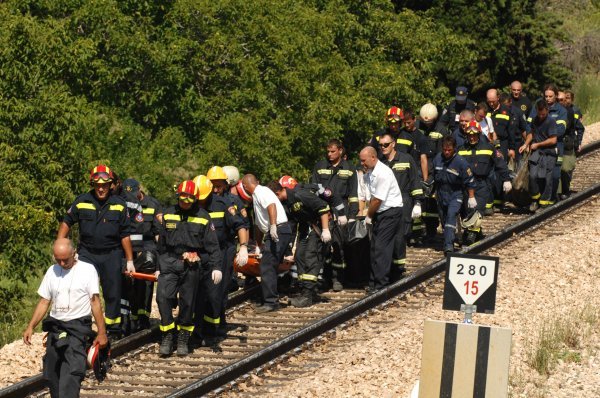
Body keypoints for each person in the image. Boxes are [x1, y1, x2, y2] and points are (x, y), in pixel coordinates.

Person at [23, 238, 108, 398]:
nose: (62, 264)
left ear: (74, 254)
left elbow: (95, 302)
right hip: (56, 328)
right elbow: (44, 301)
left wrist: (102, 332)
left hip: (77, 329)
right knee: (51, 374)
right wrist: (31, 326)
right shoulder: (52, 271)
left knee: (71, 375)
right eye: (58, 260)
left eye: (65, 260)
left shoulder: (87, 270)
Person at [57, 165, 134, 340]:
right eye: (97, 185)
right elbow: (66, 223)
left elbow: (125, 235)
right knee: (82, 290)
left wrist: (129, 260)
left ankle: (112, 330)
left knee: (112, 292)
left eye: (105, 185)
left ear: (110, 185)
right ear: (92, 184)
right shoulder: (82, 201)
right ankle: (81, 327)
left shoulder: (120, 205)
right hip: (86, 254)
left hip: (111, 253)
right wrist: (60, 245)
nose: (101, 188)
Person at [156, 180, 222, 356]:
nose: (185, 202)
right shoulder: (168, 214)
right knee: (162, 298)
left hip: (192, 265)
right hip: (169, 261)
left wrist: (216, 267)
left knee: (188, 302)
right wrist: (157, 266)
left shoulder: (203, 217)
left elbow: (213, 246)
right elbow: (161, 243)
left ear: (195, 199)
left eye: (189, 199)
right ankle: (168, 334)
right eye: (182, 198)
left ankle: (184, 336)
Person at [194, 169, 248, 340]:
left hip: (222, 251)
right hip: (201, 253)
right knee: (199, 292)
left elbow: (241, 225)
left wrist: (244, 247)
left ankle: (212, 329)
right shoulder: (192, 205)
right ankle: (200, 327)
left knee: (216, 292)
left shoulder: (224, 204)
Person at [269, 181, 333, 307]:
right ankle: (305, 290)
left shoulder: (300, 195)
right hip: (306, 227)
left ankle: (308, 295)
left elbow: (323, 208)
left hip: (321, 225)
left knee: (310, 256)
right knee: (299, 256)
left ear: (277, 193)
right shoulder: (286, 203)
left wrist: (325, 230)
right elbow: (292, 224)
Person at [241, 174, 293, 312]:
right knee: (270, 264)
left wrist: (274, 225)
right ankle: (271, 298)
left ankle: (271, 302)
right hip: (277, 231)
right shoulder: (257, 196)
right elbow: (259, 225)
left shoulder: (261, 191)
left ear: (245, 186)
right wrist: (258, 245)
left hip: (278, 230)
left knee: (267, 265)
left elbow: (272, 206)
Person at [311, 139, 356, 291]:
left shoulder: (349, 168)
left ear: (340, 151)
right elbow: (314, 188)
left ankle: (339, 278)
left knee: (339, 247)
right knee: (322, 246)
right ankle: (325, 277)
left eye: (333, 151)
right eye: (328, 151)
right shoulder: (320, 166)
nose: (329, 154)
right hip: (323, 209)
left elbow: (353, 195)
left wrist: (351, 216)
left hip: (341, 212)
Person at [458, 121, 512, 244]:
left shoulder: (488, 148)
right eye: (469, 135)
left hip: (482, 184)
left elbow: (500, 164)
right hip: (465, 185)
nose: (472, 137)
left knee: (477, 210)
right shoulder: (460, 149)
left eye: (474, 135)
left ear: (479, 134)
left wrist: (506, 179)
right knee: (467, 211)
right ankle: (475, 231)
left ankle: (472, 234)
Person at [359, 146, 403, 292]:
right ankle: (373, 283)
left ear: (373, 157)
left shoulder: (383, 173)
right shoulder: (370, 172)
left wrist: (369, 216)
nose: (362, 164)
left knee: (381, 248)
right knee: (374, 247)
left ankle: (381, 285)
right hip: (381, 213)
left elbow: (377, 200)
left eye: (364, 161)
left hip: (390, 212)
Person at [378, 134, 423, 279]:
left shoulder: (406, 159)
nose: (383, 148)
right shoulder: (380, 162)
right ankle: (388, 266)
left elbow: (415, 181)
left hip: (404, 201)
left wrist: (417, 202)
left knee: (400, 236)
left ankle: (398, 267)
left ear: (393, 144)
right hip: (385, 202)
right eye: (381, 145)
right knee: (386, 236)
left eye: (386, 145)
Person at [121, 179, 162, 333]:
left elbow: (158, 232)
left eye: (133, 193)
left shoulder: (153, 204)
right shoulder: (124, 203)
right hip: (128, 244)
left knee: (145, 282)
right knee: (128, 282)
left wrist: (161, 255)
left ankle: (143, 317)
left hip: (148, 245)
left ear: (140, 190)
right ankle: (132, 316)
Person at [433, 136, 476, 253]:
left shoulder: (461, 163)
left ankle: (448, 246)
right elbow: (433, 175)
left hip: (455, 193)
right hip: (441, 193)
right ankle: (451, 237)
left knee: (451, 216)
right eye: (444, 150)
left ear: (454, 149)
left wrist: (471, 197)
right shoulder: (438, 158)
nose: (446, 152)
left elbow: (470, 180)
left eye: (449, 150)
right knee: (444, 220)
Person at [528, 84, 568, 203]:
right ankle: (541, 199)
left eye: (551, 96)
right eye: (546, 96)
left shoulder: (561, 111)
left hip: (556, 146)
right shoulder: (538, 105)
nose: (548, 99)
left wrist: (544, 134)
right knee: (537, 174)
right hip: (538, 145)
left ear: (556, 96)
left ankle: (551, 198)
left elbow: (560, 130)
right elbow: (529, 124)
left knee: (554, 175)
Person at [520, 101, 558, 212]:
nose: (541, 116)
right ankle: (535, 199)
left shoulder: (551, 121)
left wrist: (538, 144)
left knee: (547, 178)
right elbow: (531, 133)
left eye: (543, 114)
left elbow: (553, 139)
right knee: (532, 176)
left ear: (547, 111)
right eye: (539, 114)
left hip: (548, 153)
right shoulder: (535, 120)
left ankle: (544, 203)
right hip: (536, 153)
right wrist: (525, 144)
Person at [417, 103, 444, 243]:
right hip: (419, 169)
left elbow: (441, 155)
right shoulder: (418, 127)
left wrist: (432, 177)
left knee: (432, 202)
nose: (427, 125)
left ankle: (432, 230)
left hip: (433, 169)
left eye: (429, 122)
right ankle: (421, 230)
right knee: (420, 201)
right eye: (424, 122)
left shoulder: (441, 130)